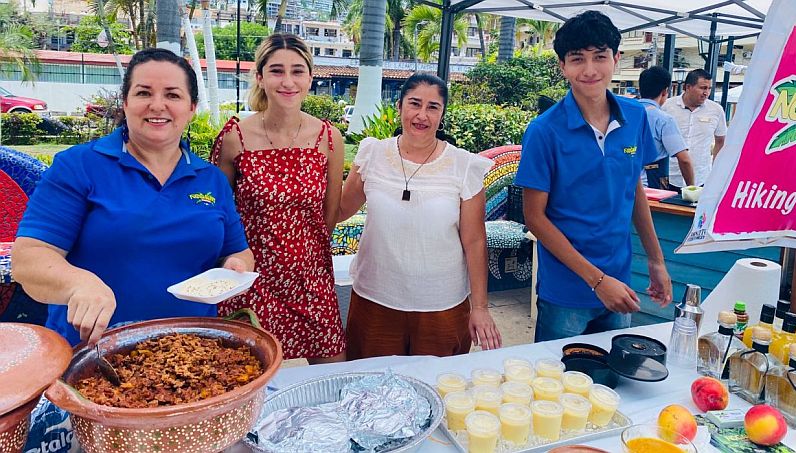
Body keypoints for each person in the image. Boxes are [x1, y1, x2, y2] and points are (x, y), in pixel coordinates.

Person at [12, 48, 254, 346]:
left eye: (172, 95)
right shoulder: (79, 166)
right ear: (125, 102)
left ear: (192, 107)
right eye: (143, 93)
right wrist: (79, 284)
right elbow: (28, 259)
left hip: (194, 349)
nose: (157, 105)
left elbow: (238, 252)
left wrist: (236, 267)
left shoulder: (211, 179)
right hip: (94, 355)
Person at [515, 11, 673, 342]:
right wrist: (597, 281)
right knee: (557, 384)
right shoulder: (543, 131)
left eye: (599, 57)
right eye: (577, 59)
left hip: (620, 280)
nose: (589, 70)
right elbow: (535, 218)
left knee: (612, 384)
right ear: (563, 66)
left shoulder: (636, 117)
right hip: (566, 290)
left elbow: (634, 191)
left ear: (616, 58)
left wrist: (656, 262)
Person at [339, 73, 502, 359]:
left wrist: (480, 308)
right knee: (371, 390)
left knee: (439, 389)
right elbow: (339, 210)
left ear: (442, 115)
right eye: (414, 104)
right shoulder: (372, 154)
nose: (421, 115)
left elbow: (475, 241)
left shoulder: (464, 166)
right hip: (375, 299)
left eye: (433, 107)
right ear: (399, 106)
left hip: (442, 305)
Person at [211, 34, 346, 364]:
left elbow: (328, 217)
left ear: (310, 78)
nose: (288, 81)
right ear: (260, 77)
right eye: (276, 71)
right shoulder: (234, 138)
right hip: (251, 278)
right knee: (245, 377)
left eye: (298, 71)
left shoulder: (329, 138)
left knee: (331, 374)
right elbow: (216, 212)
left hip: (311, 279)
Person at [663, 68, 727, 189]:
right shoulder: (667, 107)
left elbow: (720, 141)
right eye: (702, 88)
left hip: (701, 178)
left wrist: (715, 169)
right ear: (688, 87)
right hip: (670, 177)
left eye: (709, 88)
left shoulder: (716, 110)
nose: (706, 93)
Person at [638, 66, 694, 189]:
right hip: (651, 184)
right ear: (664, 92)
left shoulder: (624, 113)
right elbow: (684, 159)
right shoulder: (663, 120)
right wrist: (691, 187)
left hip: (621, 182)